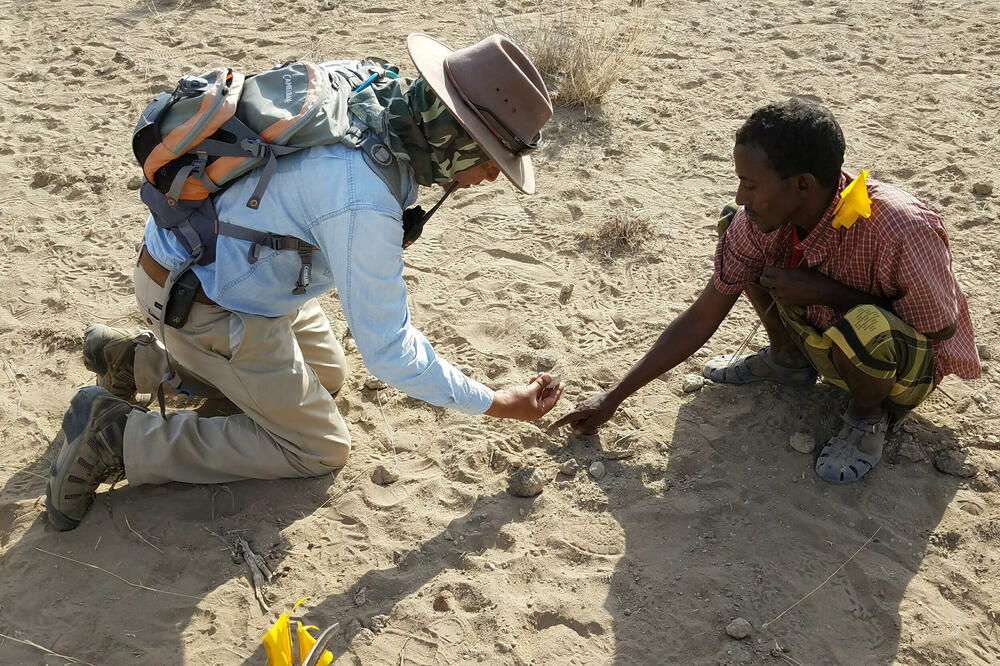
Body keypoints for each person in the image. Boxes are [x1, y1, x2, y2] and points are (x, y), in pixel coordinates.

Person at [46, 33, 564, 531]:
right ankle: (120, 436)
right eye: (492, 159)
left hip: (212, 267)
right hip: (203, 301)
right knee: (318, 447)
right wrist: (498, 403)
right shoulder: (362, 197)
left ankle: (142, 364)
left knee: (330, 378)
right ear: (459, 140)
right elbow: (389, 352)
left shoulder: (371, 86)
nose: (493, 177)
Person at [553, 98, 980, 484]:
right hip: (827, 342)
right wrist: (615, 396)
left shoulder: (899, 226)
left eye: (752, 185)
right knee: (733, 230)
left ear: (803, 185)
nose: (742, 196)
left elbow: (936, 331)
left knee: (866, 324)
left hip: (901, 375)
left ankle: (866, 420)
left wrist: (828, 292)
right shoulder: (761, 222)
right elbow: (704, 315)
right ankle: (787, 361)